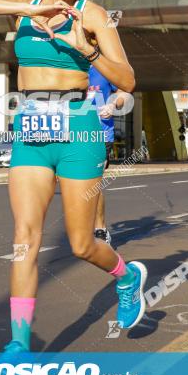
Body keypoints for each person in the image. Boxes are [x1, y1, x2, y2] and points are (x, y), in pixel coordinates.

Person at [0, 0, 146, 361]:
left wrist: (86, 50)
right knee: (25, 238)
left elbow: (128, 80)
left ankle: (125, 276)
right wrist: (28, 7)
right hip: (31, 127)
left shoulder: (93, 15)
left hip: (78, 128)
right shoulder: (25, 0)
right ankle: (19, 343)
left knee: (82, 244)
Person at [87, 64, 130, 246]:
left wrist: (113, 104)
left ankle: (100, 229)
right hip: (71, 133)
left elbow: (124, 92)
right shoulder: (69, 63)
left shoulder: (103, 66)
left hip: (99, 133)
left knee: (93, 182)